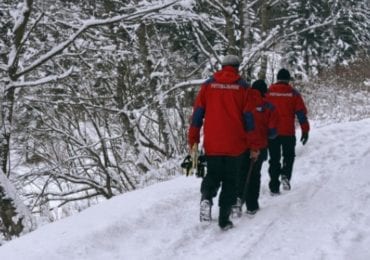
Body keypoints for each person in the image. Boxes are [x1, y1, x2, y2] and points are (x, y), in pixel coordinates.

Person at [188, 55, 264, 230]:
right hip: (236, 145)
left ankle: (206, 197)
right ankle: (224, 219)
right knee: (230, 181)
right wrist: (254, 146)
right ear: (237, 68)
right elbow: (249, 121)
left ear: (222, 67)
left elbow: (197, 114)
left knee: (213, 174)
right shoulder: (243, 87)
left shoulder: (208, 85)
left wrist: (193, 140)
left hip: (213, 143)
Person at [234, 79, 278, 216]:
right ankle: (252, 206)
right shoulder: (269, 106)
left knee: (241, 173)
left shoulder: (241, 101)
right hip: (259, 145)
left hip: (240, 144)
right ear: (264, 91)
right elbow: (272, 131)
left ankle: (237, 200)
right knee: (254, 174)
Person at [265, 68, 310, 195]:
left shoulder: (269, 92)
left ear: (277, 79)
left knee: (274, 159)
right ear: (288, 80)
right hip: (288, 132)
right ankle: (285, 175)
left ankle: (274, 186)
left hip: (272, 132)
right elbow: (301, 113)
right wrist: (305, 130)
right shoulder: (293, 93)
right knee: (289, 156)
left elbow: (263, 111)